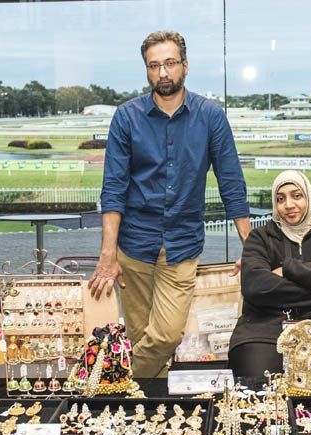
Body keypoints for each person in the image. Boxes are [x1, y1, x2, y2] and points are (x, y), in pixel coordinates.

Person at [88, 30, 251, 378]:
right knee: (141, 337)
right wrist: (108, 254)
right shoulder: (127, 117)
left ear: (185, 66)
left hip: (182, 245)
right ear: (147, 70)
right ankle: (150, 415)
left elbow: (231, 182)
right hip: (133, 247)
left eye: (170, 64)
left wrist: (252, 247)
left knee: (165, 335)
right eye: (154, 66)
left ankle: (114, 382)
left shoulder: (210, 116)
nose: (163, 73)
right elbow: (113, 188)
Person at [229, 170, 311, 378]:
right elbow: (255, 286)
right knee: (255, 377)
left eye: (296, 196)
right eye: (280, 199)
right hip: (265, 330)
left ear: (309, 196)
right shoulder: (260, 238)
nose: (288, 205)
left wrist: (288, 269)